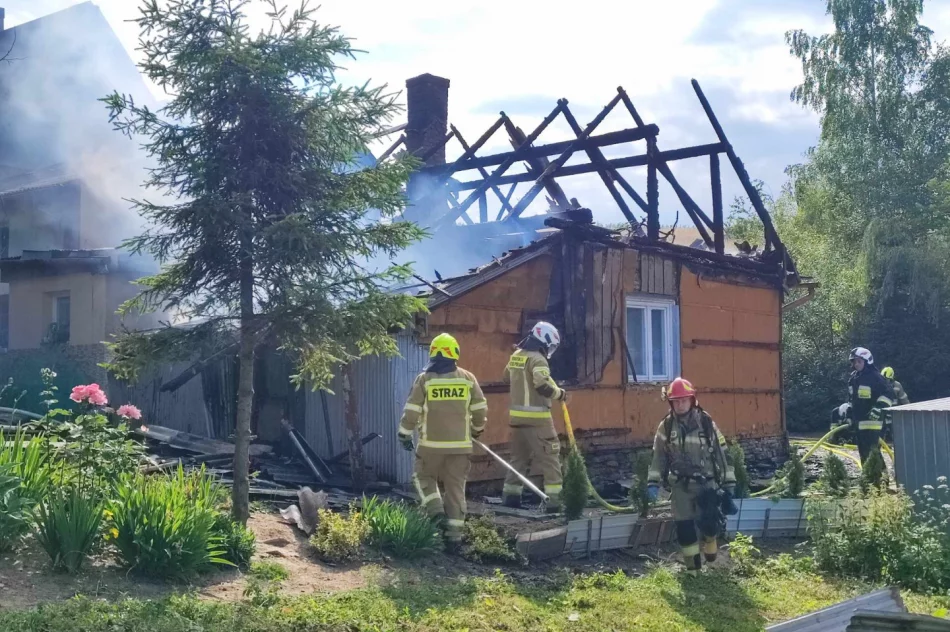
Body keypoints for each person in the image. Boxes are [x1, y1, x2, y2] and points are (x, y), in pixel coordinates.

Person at [397, 333, 487, 551]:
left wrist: (404, 434)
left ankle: (436, 511)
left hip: (430, 447)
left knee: (422, 477)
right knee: (456, 490)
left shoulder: (425, 379)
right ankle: (454, 539)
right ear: (454, 354)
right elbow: (479, 409)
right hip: (460, 447)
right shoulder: (468, 379)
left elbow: (412, 410)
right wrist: (476, 431)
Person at [647, 377, 737, 576]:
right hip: (680, 486)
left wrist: (729, 484)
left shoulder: (706, 423)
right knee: (684, 527)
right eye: (676, 401)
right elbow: (658, 456)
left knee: (709, 524)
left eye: (683, 400)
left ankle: (711, 543)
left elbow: (723, 454)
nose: (680, 405)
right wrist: (652, 483)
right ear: (671, 403)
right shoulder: (666, 426)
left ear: (692, 400)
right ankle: (693, 570)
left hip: (707, 484)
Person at [500, 321, 567, 513]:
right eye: (550, 345)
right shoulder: (539, 359)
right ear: (544, 340)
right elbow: (542, 385)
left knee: (518, 459)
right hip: (538, 419)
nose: (550, 349)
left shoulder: (516, 357)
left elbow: (506, 378)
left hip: (516, 419)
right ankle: (554, 502)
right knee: (550, 457)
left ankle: (511, 497)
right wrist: (560, 394)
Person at [847, 347, 894, 464]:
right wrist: (849, 415)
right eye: (854, 362)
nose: (856, 364)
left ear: (867, 361)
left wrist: (879, 407)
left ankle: (882, 479)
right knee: (863, 453)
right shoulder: (853, 379)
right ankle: (868, 479)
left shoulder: (875, 377)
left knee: (873, 453)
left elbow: (888, 393)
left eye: (859, 361)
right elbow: (851, 399)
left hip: (875, 423)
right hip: (859, 422)